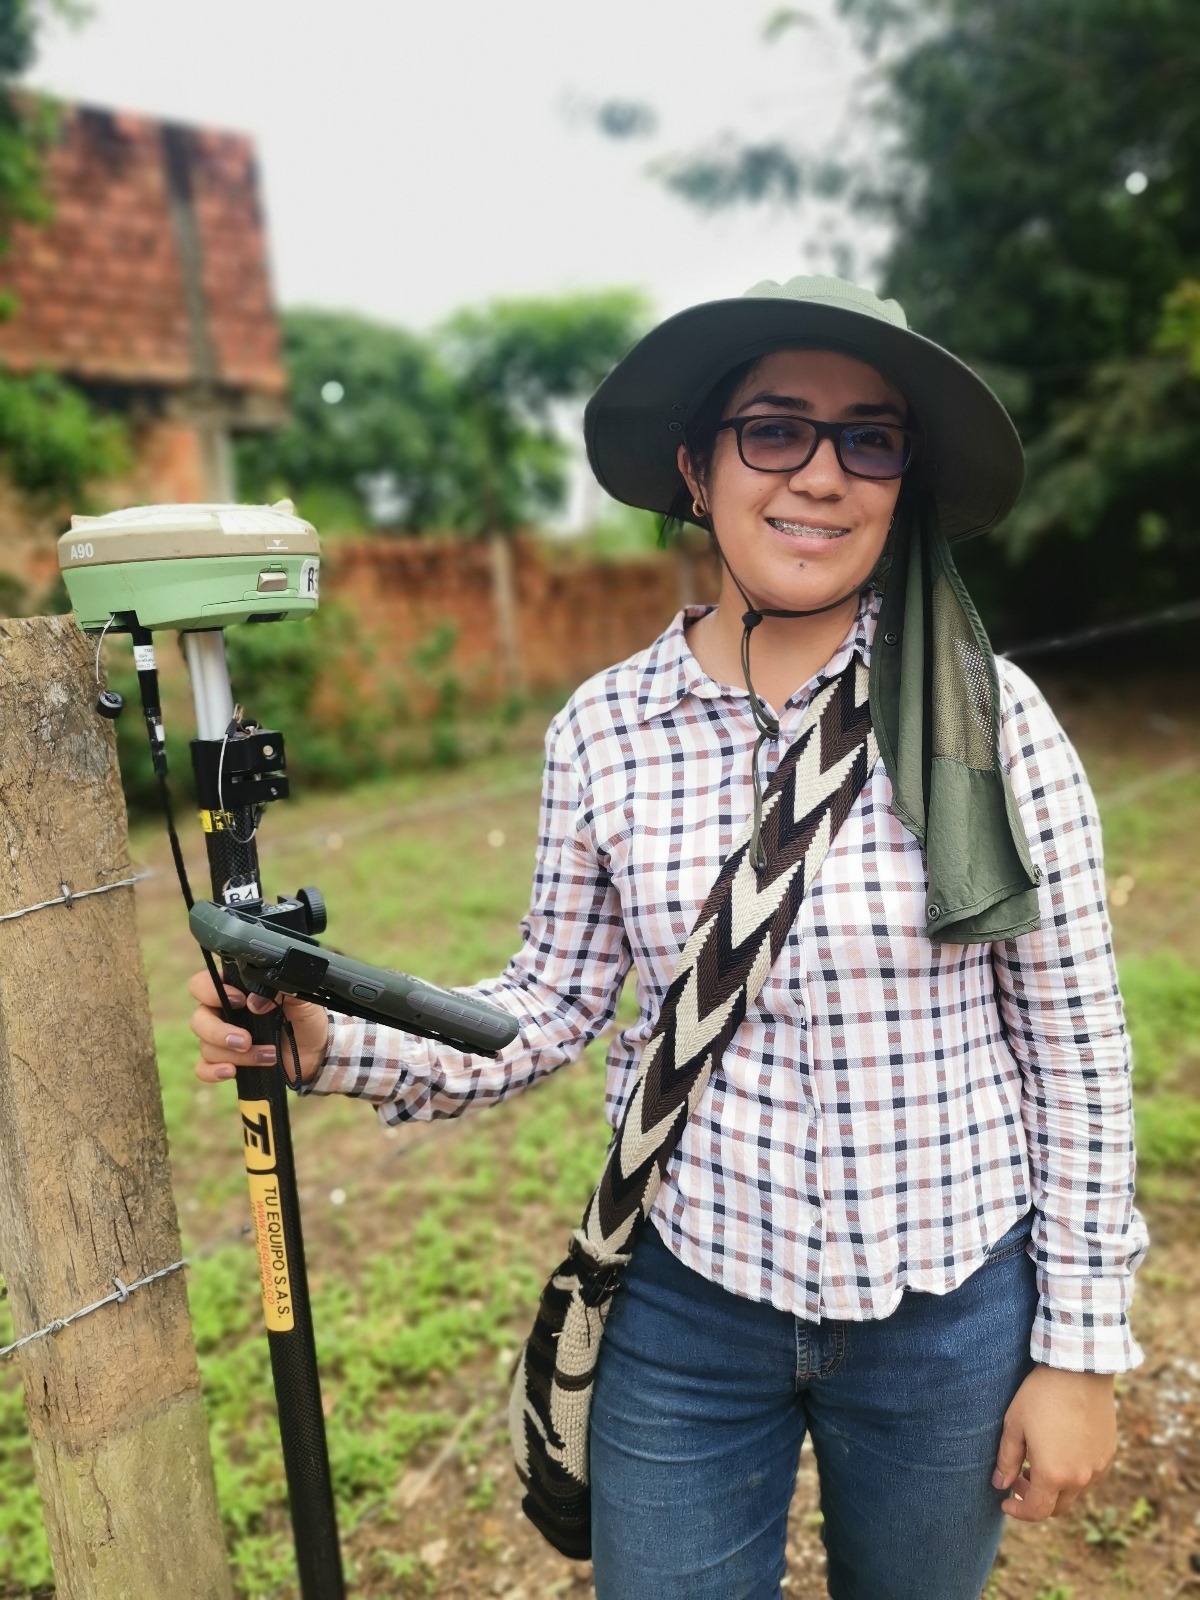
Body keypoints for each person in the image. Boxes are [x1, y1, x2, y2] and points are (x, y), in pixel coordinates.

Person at [188, 277, 1147, 1600]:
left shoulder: (990, 718)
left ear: (902, 478)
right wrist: (328, 1040)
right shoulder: (603, 731)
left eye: (869, 437)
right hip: (690, 1305)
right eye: (776, 430)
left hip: (949, 1313)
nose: (822, 474)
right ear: (698, 468)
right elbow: (553, 999)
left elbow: (1075, 1042)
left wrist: (1080, 1349)